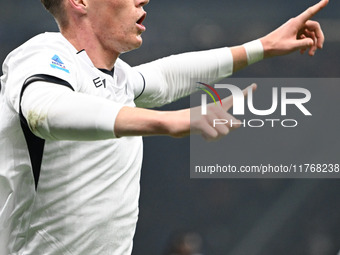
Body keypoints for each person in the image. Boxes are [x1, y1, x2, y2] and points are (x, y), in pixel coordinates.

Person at [0, 0, 328, 254]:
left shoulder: (119, 79)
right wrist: (171, 121)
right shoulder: (43, 56)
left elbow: (166, 76)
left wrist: (263, 47)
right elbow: (45, 111)